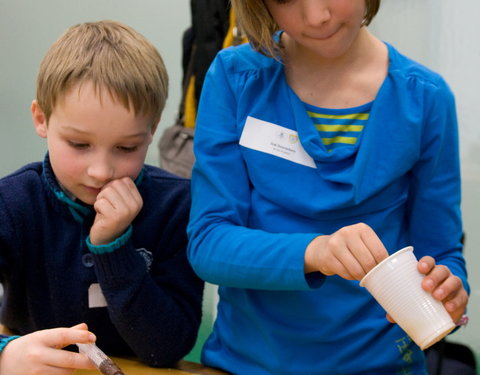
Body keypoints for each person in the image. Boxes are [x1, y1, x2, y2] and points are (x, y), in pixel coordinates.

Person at [186, 1, 470, 374]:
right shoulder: (234, 76)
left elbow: (442, 252)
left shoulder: (426, 99)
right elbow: (208, 243)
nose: (316, 17)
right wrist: (316, 251)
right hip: (247, 364)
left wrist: (450, 287)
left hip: (382, 365)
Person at [0, 20, 203, 374]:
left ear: (152, 131)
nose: (101, 171)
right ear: (42, 118)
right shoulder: (13, 203)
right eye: (79, 144)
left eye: (126, 147)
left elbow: (167, 348)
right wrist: (5, 353)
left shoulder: (176, 205)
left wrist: (113, 249)